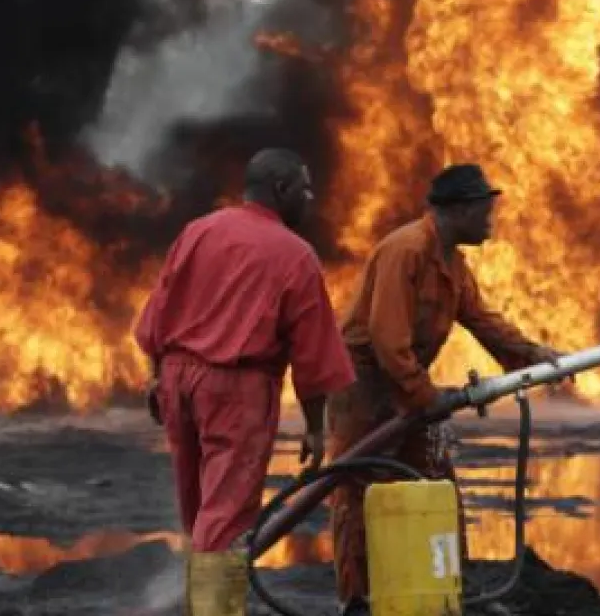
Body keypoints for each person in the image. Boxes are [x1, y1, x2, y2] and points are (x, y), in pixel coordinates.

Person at [328, 163, 566, 615]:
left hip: (406, 378)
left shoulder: (453, 263)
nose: (490, 221)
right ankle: (357, 600)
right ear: (457, 210)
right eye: (484, 211)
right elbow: (386, 338)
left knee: (435, 480)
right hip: (363, 383)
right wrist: (427, 398)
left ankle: (447, 588)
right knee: (358, 484)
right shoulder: (406, 250)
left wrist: (531, 354)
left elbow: (481, 319)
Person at [134, 148, 356, 616]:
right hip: (236, 389)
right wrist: (316, 430)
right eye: (305, 188)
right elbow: (313, 358)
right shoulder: (294, 254)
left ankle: (202, 602)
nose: (311, 198)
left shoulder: (199, 231)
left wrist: (157, 378)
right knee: (226, 514)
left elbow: (158, 312)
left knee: (198, 507)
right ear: (282, 189)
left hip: (178, 380)